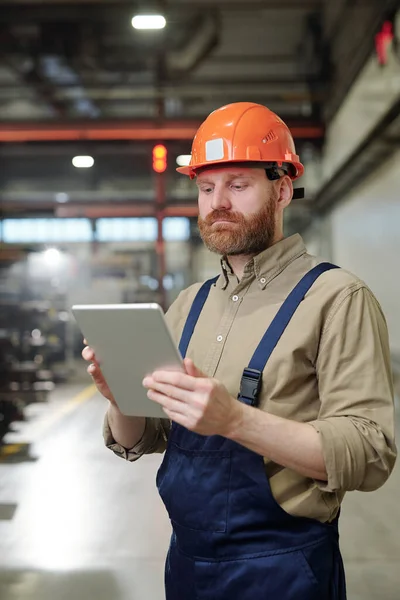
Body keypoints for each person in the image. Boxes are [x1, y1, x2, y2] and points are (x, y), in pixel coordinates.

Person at [82, 102, 397, 600]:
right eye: (207, 187)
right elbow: (142, 439)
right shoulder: (188, 306)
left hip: (285, 571)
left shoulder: (336, 298)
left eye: (238, 184)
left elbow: (370, 453)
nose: (217, 202)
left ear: (283, 188)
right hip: (186, 566)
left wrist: (234, 420)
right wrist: (120, 395)